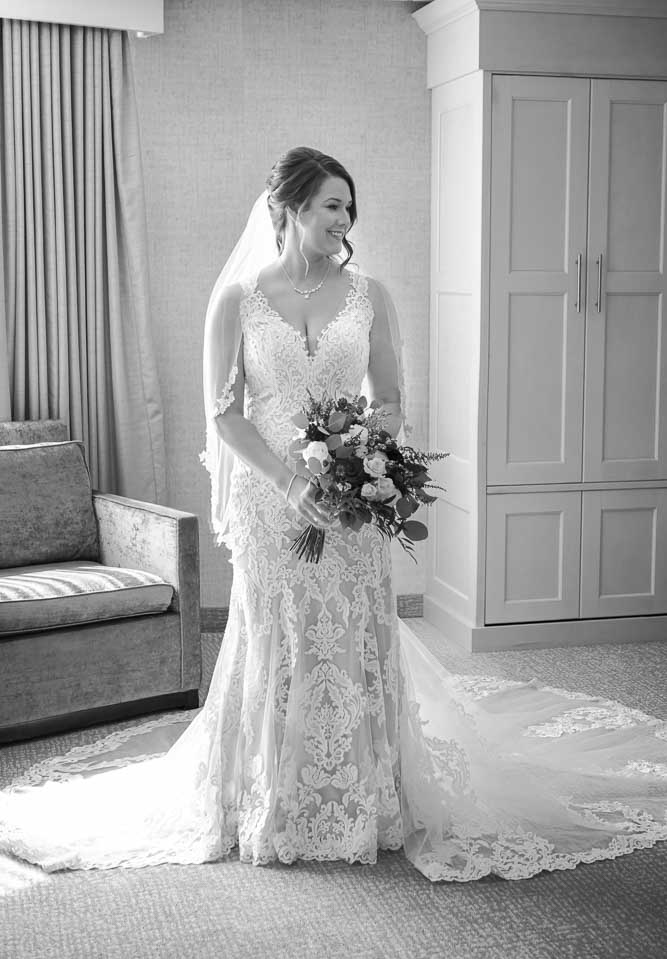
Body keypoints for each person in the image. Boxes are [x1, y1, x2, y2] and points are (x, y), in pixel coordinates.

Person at [1, 147, 666, 884]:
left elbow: (388, 398)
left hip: (350, 505)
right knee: (280, 635)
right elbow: (224, 416)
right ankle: (272, 797)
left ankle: (365, 797)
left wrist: (360, 470)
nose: (343, 219)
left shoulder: (369, 295)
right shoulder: (239, 300)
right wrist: (292, 484)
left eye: (349, 207)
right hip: (269, 500)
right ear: (287, 208)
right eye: (330, 204)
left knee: (353, 632)